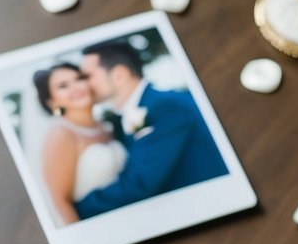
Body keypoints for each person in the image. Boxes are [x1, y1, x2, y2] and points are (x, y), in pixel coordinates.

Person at [73, 37, 228, 218]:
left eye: (87, 76)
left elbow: (140, 184)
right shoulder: (146, 107)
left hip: (211, 209)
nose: (82, 84)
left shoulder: (165, 107)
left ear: (119, 75)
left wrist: (76, 209)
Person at [31, 63, 126, 226]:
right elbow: (60, 201)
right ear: (52, 102)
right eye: (63, 86)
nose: (76, 87)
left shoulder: (106, 126)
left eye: (79, 79)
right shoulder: (61, 134)